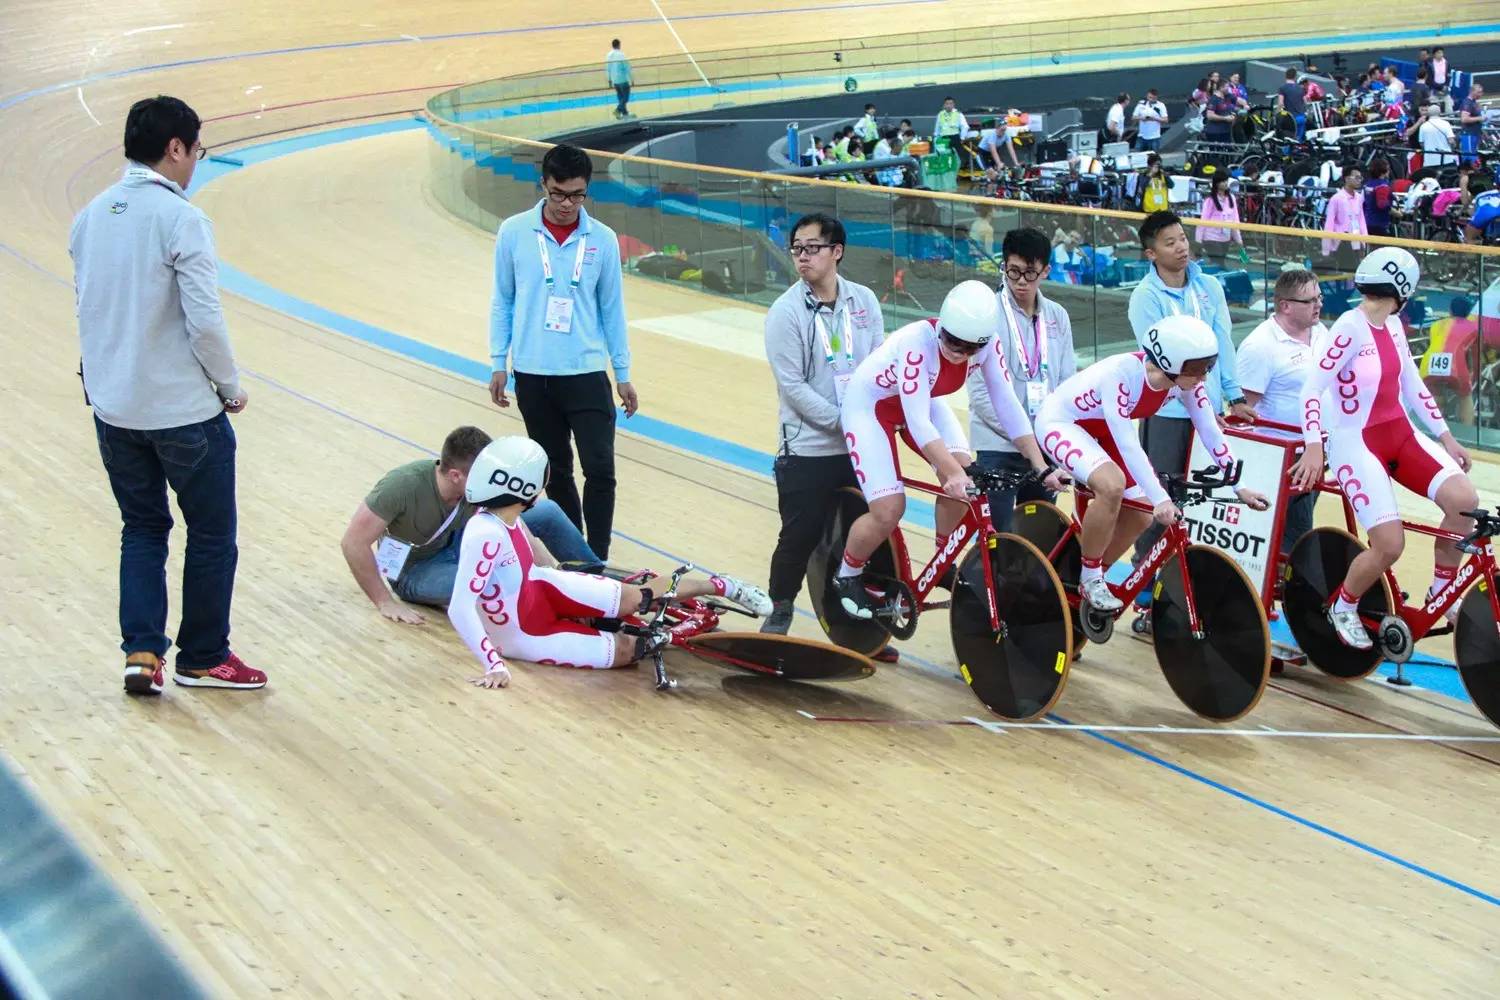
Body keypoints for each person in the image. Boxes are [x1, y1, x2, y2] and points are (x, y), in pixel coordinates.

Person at [72, 95, 265, 695]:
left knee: (143, 529)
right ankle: (204, 656)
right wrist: (229, 387)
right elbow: (204, 320)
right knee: (210, 536)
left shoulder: (91, 215)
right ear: (176, 148)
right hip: (182, 413)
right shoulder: (182, 219)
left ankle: (142, 654)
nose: (196, 162)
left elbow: (89, 305)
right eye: (196, 149)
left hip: (114, 408)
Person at [450, 438, 771, 687]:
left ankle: (724, 584)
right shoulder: (484, 533)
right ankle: (659, 636)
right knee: (627, 651)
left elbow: (532, 548)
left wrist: (572, 582)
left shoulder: (507, 514)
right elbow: (459, 607)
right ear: (527, 487)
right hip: (526, 633)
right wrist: (494, 664)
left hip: (541, 587)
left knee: (637, 596)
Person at [833, 281, 1063, 619]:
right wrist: (951, 474)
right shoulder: (916, 343)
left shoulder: (987, 345)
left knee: (963, 480)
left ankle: (942, 562)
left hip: (926, 400)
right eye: (952, 342)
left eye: (970, 348)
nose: (959, 352)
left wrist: (1040, 464)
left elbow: (1007, 403)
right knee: (889, 509)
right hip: (872, 407)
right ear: (941, 326)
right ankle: (847, 575)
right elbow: (917, 422)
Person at [1290, 248, 1477, 649]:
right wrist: (1313, 446)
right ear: (1404, 289)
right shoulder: (1349, 327)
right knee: (1390, 545)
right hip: (1356, 442)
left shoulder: (1393, 324)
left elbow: (1412, 383)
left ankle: (1441, 593)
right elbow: (1312, 388)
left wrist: (1445, 435)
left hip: (1399, 433)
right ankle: (1343, 604)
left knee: (1464, 501)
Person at [1035, 316, 1268, 611]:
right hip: (1061, 423)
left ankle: (1089, 573)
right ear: (1170, 363)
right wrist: (1161, 498)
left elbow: (1210, 429)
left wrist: (1239, 486)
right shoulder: (1120, 375)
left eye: (1208, 367)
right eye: (1197, 369)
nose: (1204, 377)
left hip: (1101, 429)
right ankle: (1091, 577)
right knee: (1112, 485)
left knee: (1141, 515)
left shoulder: (1185, 383)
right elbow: (1129, 445)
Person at [489, 144, 634, 561]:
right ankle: (576, 556)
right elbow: (503, 299)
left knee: (601, 470)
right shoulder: (514, 232)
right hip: (534, 375)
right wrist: (499, 361)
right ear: (544, 185)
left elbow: (612, 309)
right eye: (558, 194)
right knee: (557, 473)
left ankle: (598, 556)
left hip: (587, 373)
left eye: (577, 195)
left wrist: (622, 373)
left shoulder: (602, 240)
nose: (568, 204)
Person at [760, 213, 887, 637]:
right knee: (800, 536)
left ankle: (861, 626)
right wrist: (842, 422)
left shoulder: (864, 301)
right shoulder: (785, 312)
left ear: (837, 251)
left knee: (863, 537)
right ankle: (779, 610)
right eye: (796, 248)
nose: (801, 256)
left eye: (812, 247)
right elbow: (792, 385)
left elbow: (876, 365)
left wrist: (867, 423)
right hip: (808, 447)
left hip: (857, 447)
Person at [340, 426, 600, 624]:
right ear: (456, 475)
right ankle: (566, 609)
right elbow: (353, 542)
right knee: (492, 580)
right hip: (416, 570)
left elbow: (518, 527)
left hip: (460, 540)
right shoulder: (402, 486)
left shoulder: (478, 485)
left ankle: (601, 584)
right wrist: (384, 601)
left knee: (548, 513)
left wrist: (551, 572)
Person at [1126, 211, 1254, 570]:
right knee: (1163, 500)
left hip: (1206, 409)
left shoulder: (1209, 287)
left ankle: (1182, 578)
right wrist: (1197, 402)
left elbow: (1224, 342)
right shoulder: (1145, 297)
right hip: (1167, 412)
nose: (1181, 247)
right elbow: (1160, 362)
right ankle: (1145, 580)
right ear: (1151, 254)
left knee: (1197, 501)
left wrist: (1234, 395)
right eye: (1170, 243)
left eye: (1182, 238)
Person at [969, 228, 1077, 531]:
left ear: (1046, 272)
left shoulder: (1058, 316)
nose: (1019, 282)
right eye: (1012, 271)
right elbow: (979, 394)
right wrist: (1023, 436)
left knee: (1037, 538)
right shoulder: (986, 313)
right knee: (995, 539)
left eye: (1029, 273)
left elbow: (1067, 382)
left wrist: (1053, 436)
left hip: (1044, 444)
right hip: (998, 445)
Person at [1235, 269, 1327, 555]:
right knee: (1293, 535)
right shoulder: (1260, 346)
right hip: (1281, 458)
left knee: (1299, 528)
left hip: (1316, 448)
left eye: (1319, 297)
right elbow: (1241, 412)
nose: (1319, 305)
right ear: (1285, 306)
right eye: (1310, 301)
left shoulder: (1322, 332)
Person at [1322, 165, 1367, 260]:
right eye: (1356, 177)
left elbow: (1361, 220)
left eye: (1360, 178)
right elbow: (1329, 223)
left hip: (1357, 242)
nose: (1359, 180)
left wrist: (1364, 241)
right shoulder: (1336, 198)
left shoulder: (1359, 198)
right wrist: (1326, 249)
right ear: (1346, 179)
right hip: (1341, 243)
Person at [1195, 176, 1243, 261]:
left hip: (1225, 238)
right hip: (1211, 238)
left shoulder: (1231, 198)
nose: (1225, 183)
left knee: (1220, 264)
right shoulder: (1210, 200)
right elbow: (1203, 221)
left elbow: (1235, 220)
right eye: (1223, 181)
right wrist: (1198, 242)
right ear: (1216, 183)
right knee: (1218, 263)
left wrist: (1239, 242)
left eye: (1226, 181)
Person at [1414, 103, 1457, 171]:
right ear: (1439, 112)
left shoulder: (1423, 126)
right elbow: (1451, 141)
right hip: (1446, 159)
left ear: (1428, 113)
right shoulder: (1445, 124)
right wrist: (1454, 147)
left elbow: (1421, 143)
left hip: (1429, 160)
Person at [1363, 158, 1394, 237]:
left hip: (1366, 221)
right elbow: (1382, 204)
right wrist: (1395, 212)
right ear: (1384, 170)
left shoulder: (1367, 184)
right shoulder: (1382, 186)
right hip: (1379, 223)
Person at [1276, 68, 1308, 141]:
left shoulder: (1283, 88)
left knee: (1289, 141)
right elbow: (1305, 102)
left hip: (1291, 120)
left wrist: (1277, 114)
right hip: (1301, 118)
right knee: (1299, 140)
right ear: (1295, 77)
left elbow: (1280, 103)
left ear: (1286, 76)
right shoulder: (1300, 88)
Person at [1458, 83, 1486, 167]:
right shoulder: (1467, 103)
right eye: (1478, 92)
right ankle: (1467, 176)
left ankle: (1471, 175)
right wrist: (1480, 118)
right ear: (1472, 92)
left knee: (1473, 156)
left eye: (1481, 92)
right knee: (1469, 158)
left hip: (1475, 134)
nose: (1480, 94)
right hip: (1468, 135)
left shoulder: (1474, 103)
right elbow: (1464, 119)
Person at [605, 39, 632, 119]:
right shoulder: (621, 55)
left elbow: (608, 68)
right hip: (623, 79)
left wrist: (609, 80)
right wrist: (631, 78)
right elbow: (627, 67)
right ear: (619, 45)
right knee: (625, 98)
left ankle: (625, 113)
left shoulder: (608, 55)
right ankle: (617, 110)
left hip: (615, 80)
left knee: (620, 98)